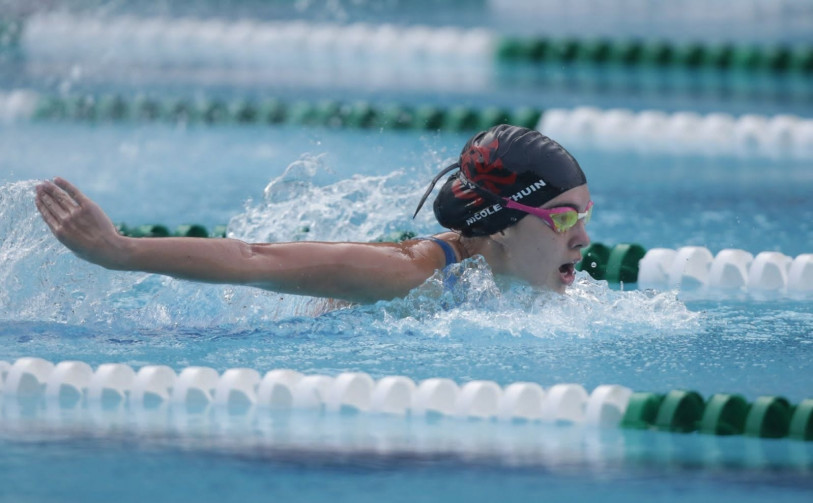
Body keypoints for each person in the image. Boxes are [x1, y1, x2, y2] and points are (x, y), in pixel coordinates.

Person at [35, 124, 592, 304]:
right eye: (564, 219)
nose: (584, 239)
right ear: (500, 221)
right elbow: (253, 257)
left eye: (585, 217)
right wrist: (120, 252)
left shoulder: (495, 277)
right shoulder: (408, 273)